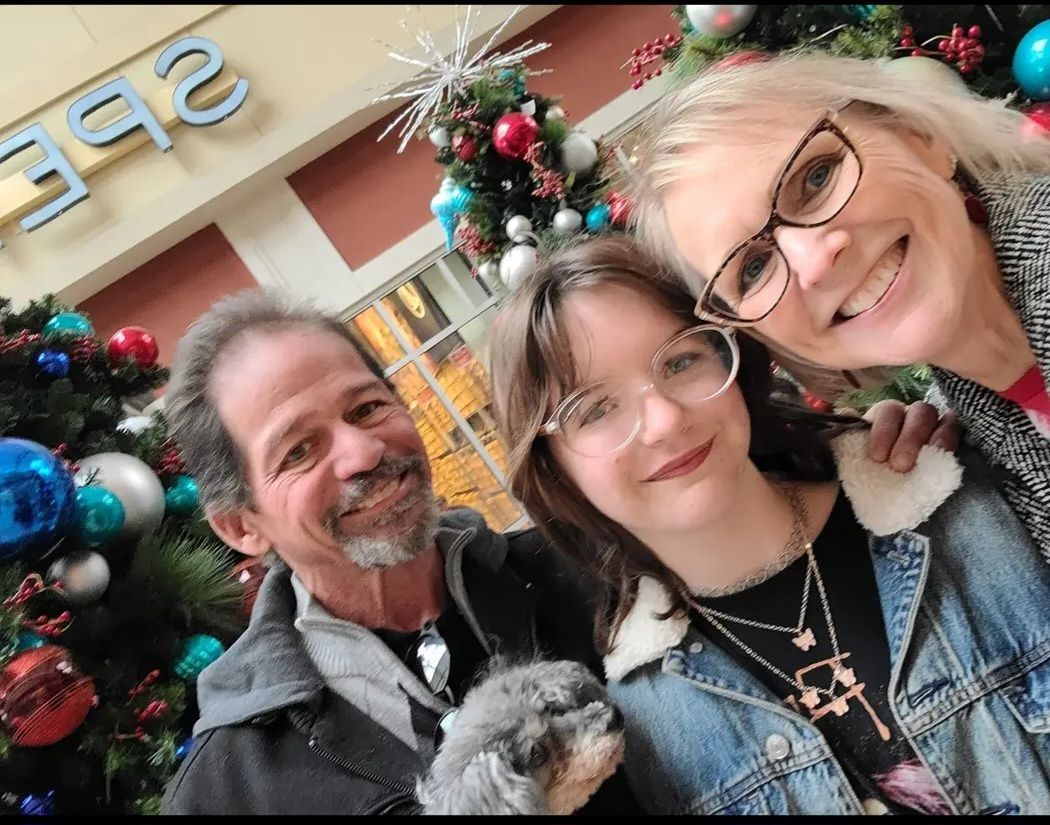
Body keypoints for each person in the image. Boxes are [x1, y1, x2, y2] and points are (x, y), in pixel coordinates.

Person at [490, 236, 1050, 816]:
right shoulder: (645, 728)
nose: (663, 420)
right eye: (596, 409)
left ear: (730, 360)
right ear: (552, 467)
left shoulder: (962, 503)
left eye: (680, 361)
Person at [156, 289, 632, 815]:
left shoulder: (595, 569)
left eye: (367, 408)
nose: (364, 452)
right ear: (241, 527)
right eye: (298, 450)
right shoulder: (229, 794)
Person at [628, 51, 1050, 551]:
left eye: (816, 178)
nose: (813, 262)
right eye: (754, 269)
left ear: (920, 137)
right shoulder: (973, 433)